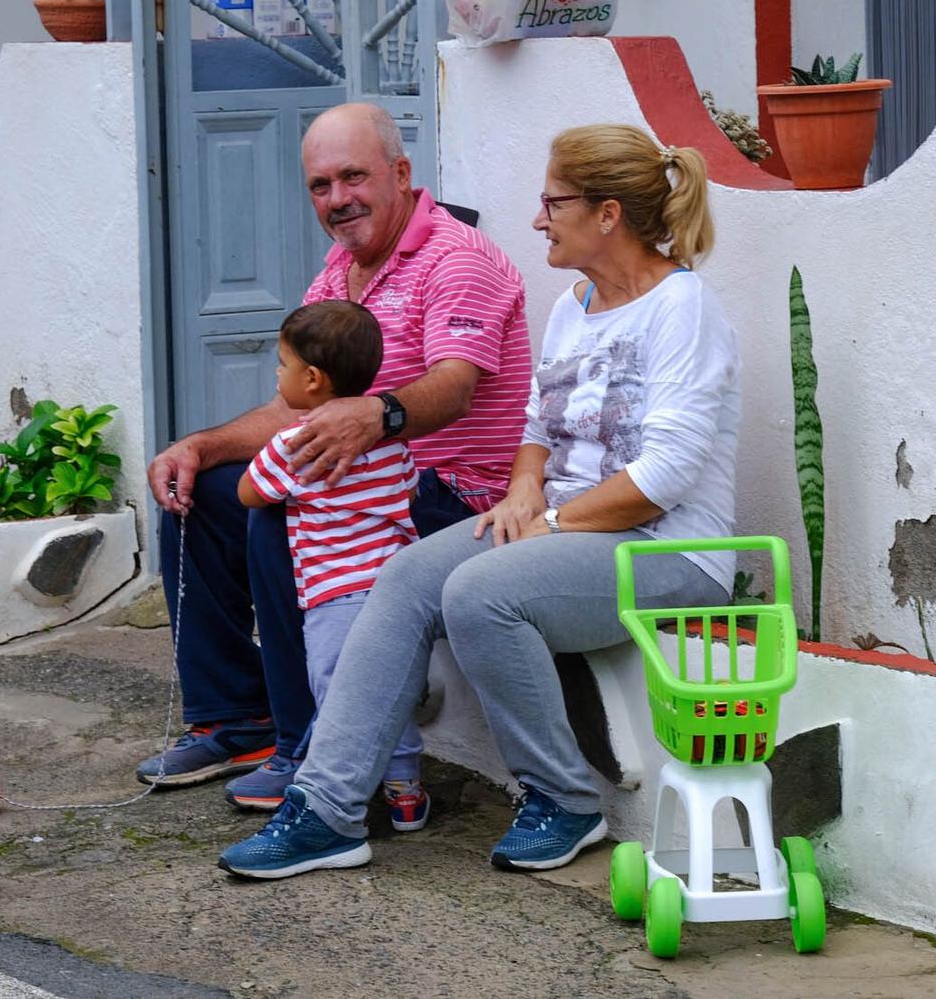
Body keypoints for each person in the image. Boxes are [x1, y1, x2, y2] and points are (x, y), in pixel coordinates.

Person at [217, 124, 742, 880]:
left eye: (552, 202)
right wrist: (527, 488)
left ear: (607, 215)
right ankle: (327, 810)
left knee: (479, 593)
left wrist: (549, 521)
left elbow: (665, 479)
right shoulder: (577, 303)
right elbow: (539, 425)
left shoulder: (683, 310)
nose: (537, 219)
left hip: (669, 550)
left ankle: (564, 799)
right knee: (404, 576)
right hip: (569, 530)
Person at [139, 103, 530, 812]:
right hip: (370, 489)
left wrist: (376, 413)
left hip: (458, 497)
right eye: (321, 185)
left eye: (354, 177)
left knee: (279, 513)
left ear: (401, 173)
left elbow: (456, 386)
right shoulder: (337, 275)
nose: (338, 199)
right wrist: (198, 446)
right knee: (197, 497)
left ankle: (307, 744)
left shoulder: (457, 259)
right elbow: (296, 407)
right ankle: (237, 717)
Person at [237, 300, 430, 832]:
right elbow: (410, 485)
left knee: (339, 693)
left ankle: (333, 790)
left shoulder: (294, 444)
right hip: (393, 586)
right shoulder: (389, 440)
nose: (277, 375)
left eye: (282, 365)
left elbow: (249, 493)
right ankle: (405, 792)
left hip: (333, 594)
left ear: (314, 379)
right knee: (389, 689)